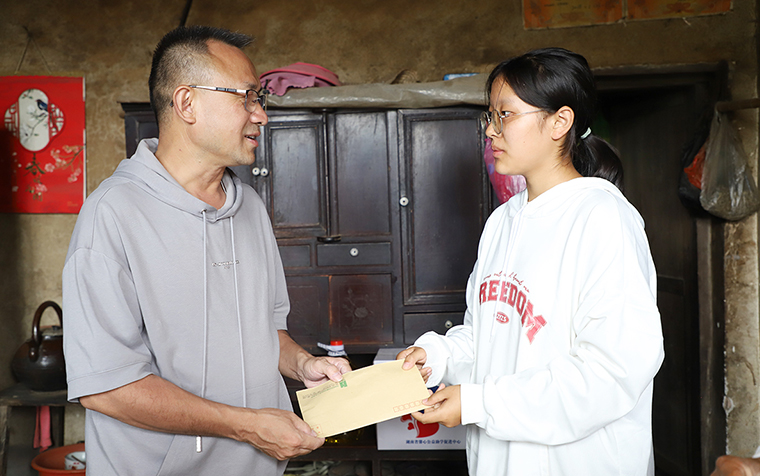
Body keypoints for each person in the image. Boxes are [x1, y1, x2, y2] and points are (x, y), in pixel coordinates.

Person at [62, 25, 350, 476]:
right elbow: (108, 388)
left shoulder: (249, 207)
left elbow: (264, 331)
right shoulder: (112, 215)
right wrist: (248, 426)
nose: (261, 115)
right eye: (246, 98)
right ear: (186, 103)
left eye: (260, 99)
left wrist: (303, 364)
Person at [398, 47, 664, 476]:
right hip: (500, 461)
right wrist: (438, 355)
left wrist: (480, 402)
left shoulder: (602, 218)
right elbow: (489, 336)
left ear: (560, 122)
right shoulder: (502, 221)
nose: (491, 130)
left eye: (505, 115)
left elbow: (611, 372)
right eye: (490, 116)